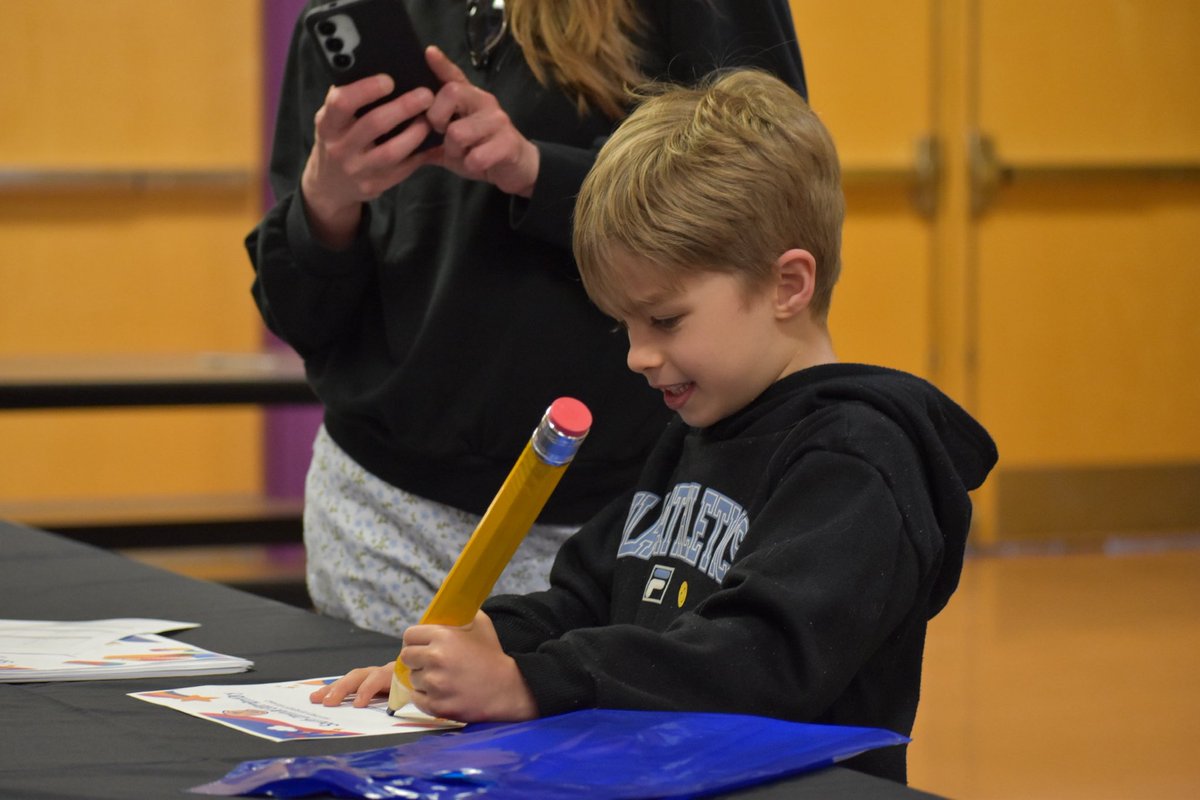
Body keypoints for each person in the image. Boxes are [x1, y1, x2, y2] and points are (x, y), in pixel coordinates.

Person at [311, 69, 999, 784]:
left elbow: (756, 658)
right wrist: (466, 652)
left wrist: (530, 685)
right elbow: (585, 597)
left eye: (665, 320)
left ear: (788, 285)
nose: (640, 356)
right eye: (627, 326)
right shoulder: (697, 429)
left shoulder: (859, 460)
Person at [247, 0, 809, 636]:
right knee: (395, 732)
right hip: (379, 508)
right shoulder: (342, 18)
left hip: (622, 521)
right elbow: (300, 315)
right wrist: (325, 201)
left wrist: (533, 170)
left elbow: (772, 186)